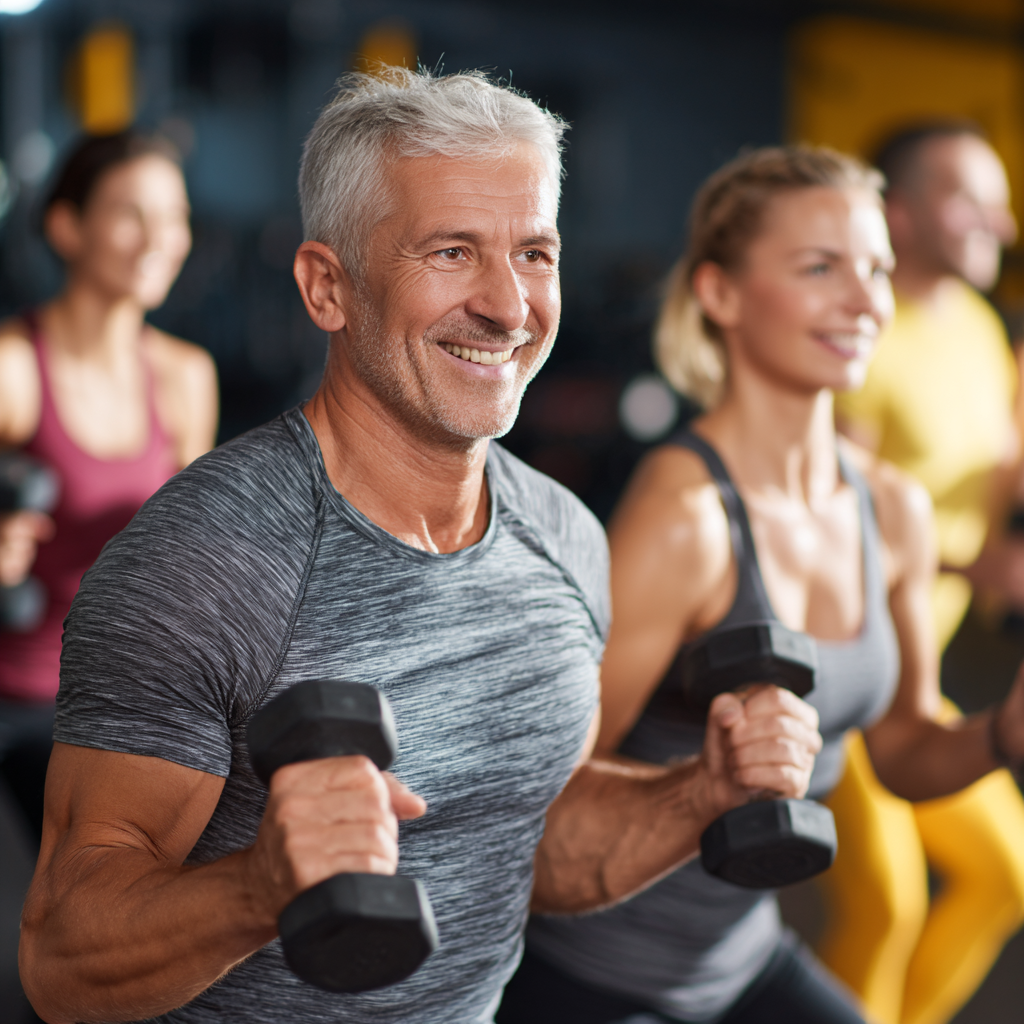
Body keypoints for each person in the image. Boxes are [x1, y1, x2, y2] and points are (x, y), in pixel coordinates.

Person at [17, 69, 824, 1024]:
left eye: (534, 253)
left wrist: (699, 792)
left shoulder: (565, 539)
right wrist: (258, 887)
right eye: (451, 252)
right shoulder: (203, 562)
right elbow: (63, 960)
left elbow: (528, 839)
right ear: (328, 287)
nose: (509, 306)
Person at [497, 145, 1024, 1024]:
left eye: (876, 270)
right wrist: (701, 783)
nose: (866, 303)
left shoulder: (892, 509)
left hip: (746, 960)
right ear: (721, 295)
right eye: (821, 269)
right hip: (601, 975)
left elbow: (903, 750)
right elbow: (543, 806)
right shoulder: (686, 518)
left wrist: (999, 734)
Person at [825, 124, 1024, 1024]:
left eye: (1001, 197)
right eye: (968, 197)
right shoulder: (861, 340)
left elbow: (992, 467)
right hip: (849, 671)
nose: (1002, 220)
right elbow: (829, 525)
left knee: (1004, 878)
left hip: (925, 668)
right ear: (898, 216)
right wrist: (968, 558)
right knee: (887, 907)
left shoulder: (981, 328)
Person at [0, 130, 218, 844]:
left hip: (118, 703)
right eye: (132, 213)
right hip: (17, 694)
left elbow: (193, 567)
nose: (160, 238)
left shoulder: (185, 377)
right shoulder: (14, 368)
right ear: (68, 226)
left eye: (174, 217)